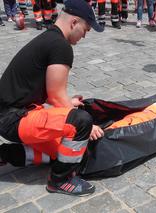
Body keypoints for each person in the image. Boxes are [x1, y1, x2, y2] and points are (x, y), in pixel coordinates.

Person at [0, 0, 104, 196]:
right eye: (86, 29)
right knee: (80, 122)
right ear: (74, 23)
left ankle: (5, 154)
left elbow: (49, 91)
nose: (85, 35)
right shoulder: (61, 46)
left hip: (11, 114)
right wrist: (88, 126)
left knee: (65, 154)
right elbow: (56, 96)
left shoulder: (49, 38)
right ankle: (60, 181)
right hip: (14, 119)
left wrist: (68, 102)